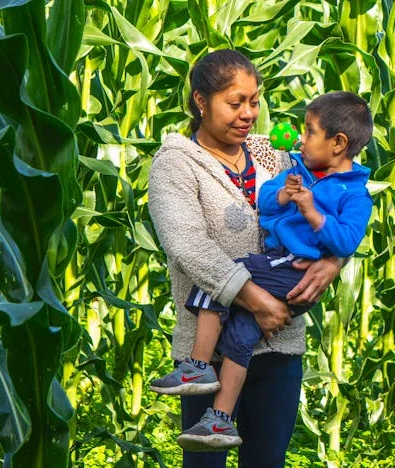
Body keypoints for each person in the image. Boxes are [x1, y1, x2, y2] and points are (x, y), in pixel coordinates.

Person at [147, 49, 346, 467]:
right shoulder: (176, 163)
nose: (248, 114)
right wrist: (258, 301)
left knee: (267, 461)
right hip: (211, 353)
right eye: (234, 103)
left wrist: (334, 262)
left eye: (254, 101)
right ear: (201, 102)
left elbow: (341, 188)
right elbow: (188, 246)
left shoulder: (273, 153)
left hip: (280, 342)